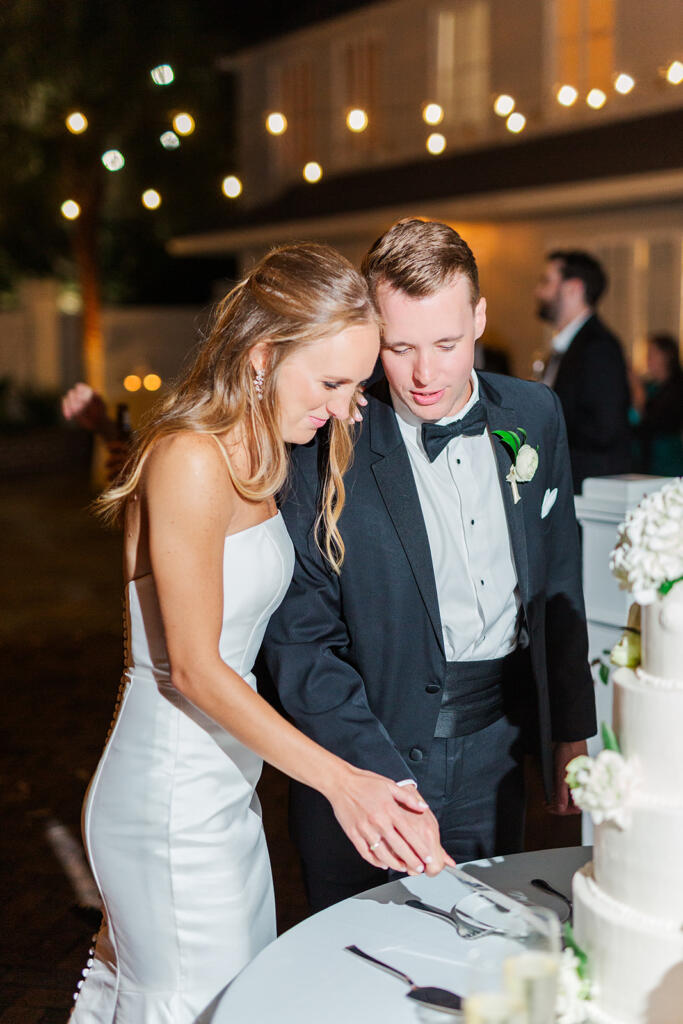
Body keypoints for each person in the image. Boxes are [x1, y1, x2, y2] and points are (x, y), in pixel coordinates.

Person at [70, 243, 452, 1024]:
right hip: (170, 798)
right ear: (259, 357)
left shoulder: (265, 453)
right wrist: (343, 783)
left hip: (225, 790)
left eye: (355, 385)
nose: (347, 407)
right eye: (332, 383)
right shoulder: (189, 457)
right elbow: (198, 671)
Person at [262, 219, 597, 912]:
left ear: (478, 317)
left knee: (480, 955)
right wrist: (374, 782)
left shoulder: (535, 416)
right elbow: (302, 642)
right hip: (365, 751)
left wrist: (568, 729)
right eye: (399, 347)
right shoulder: (323, 442)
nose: (424, 374)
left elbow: (559, 575)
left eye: (446, 344)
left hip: (498, 752)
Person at [534, 249, 631, 493]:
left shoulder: (598, 347)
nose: (539, 291)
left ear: (573, 288)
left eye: (547, 281)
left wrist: (538, 423)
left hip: (588, 488)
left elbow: (604, 428)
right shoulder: (569, 346)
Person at [630, 332, 683, 477]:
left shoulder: (676, 388)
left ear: (666, 356)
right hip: (645, 457)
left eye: (652, 354)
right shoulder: (650, 386)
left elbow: (655, 421)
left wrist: (638, 393)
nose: (647, 359)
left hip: (666, 458)